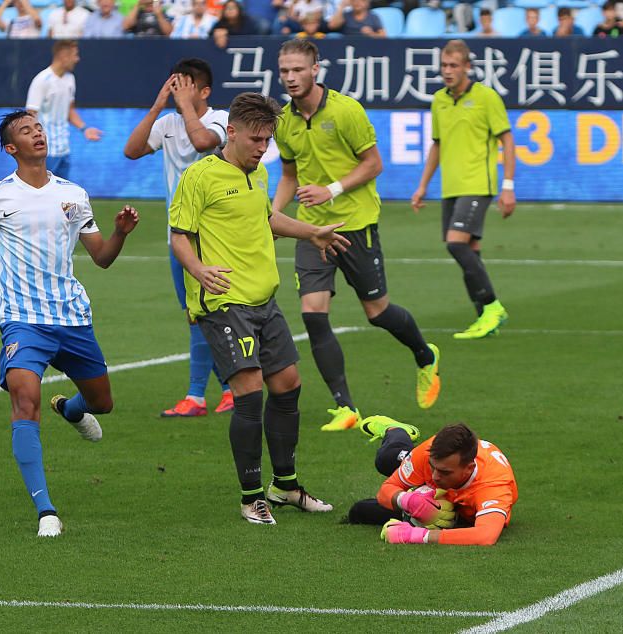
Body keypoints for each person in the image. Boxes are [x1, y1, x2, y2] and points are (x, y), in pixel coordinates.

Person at [0, 110, 139, 537]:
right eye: (26, 130)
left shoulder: (74, 194)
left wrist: (121, 233)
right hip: (22, 322)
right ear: (11, 148)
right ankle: (46, 511)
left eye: (38, 127)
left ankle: (72, 409)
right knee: (24, 401)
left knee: (102, 404)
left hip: (71, 317)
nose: (37, 133)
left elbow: (102, 258)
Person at [169, 92, 349, 525]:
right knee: (249, 394)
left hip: (263, 301)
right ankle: (251, 497)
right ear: (231, 132)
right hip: (225, 301)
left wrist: (312, 233)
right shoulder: (200, 177)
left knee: (287, 385)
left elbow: (265, 219)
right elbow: (179, 235)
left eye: (267, 140)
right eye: (255, 139)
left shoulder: (257, 175)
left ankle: (284, 486)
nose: (262, 148)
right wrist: (199, 269)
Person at [273, 39, 441, 430]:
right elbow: (289, 175)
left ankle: (424, 355)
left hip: (355, 224)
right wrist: (274, 212)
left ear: (316, 69)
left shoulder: (346, 110)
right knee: (313, 313)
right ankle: (345, 408)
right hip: (312, 230)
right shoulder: (283, 120)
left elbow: (374, 164)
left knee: (377, 312)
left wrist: (330, 190)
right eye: (284, 71)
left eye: (298, 70)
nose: (291, 78)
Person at [123, 58, 233, 418]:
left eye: (184, 87)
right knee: (194, 314)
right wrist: (158, 106)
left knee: (210, 313)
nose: (176, 94)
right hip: (178, 235)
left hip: (213, 236)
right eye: (174, 87)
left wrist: (185, 105)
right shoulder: (168, 122)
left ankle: (197, 396)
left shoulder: (220, 119)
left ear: (204, 91)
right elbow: (132, 150)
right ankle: (232, 389)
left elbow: (202, 142)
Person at [411, 40, 515, 341]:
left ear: (467, 67)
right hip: (451, 187)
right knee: (470, 252)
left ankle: (493, 307)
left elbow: (507, 140)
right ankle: (484, 317)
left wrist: (508, 186)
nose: (447, 71)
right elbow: (438, 145)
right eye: (444, 65)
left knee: (456, 244)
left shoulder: (486, 97)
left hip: (478, 184)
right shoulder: (439, 100)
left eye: (454, 65)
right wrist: (422, 186)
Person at [346, 420, 518, 546]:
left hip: (458, 510)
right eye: (432, 467)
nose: (435, 476)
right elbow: (386, 490)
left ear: (468, 468)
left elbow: (485, 536)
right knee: (385, 459)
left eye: (444, 472)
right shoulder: (429, 452)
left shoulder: (494, 484)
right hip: (434, 490)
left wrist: (417, 535)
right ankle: (396, 430)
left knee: (361, 510)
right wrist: (408, 501)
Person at [24, 41, 102, 181]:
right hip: (45, 151)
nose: (77, 59)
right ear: (64, 56)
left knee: (61, 197)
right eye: (75, 55)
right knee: (40, 194)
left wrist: (84, 129)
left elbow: (69, 111)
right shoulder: (42, 80)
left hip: (64, 149)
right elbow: (30, 116)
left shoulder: (70, 79)